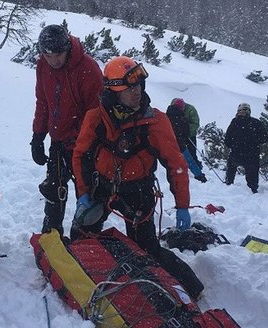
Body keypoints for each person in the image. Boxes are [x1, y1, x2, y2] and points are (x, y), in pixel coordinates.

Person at [71, 56, 204, 299]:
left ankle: (191, 288)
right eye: (129, 88)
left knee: (146, 249)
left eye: (139, 86)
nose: (137, 92)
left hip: (138, 192)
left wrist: (182, 205)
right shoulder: (97, 118)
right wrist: (83, 193)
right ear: (112, 91)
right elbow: (80, 156)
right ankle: (86, 278)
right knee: (82, 236)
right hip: (102, 188)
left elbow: (176, 165)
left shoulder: (155, 121)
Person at [31, 24, 103, 236]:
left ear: (68, 48)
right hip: (59, 141)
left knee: (88, 193)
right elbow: (43, 101)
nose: (54, 61)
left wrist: (85, 144)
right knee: (54, 190)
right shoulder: (43, 66)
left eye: (58, 55)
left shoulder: (88, 69)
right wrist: (38, 136)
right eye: (48, 55)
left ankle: (85, 235)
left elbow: (97, 113)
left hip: (87, 144)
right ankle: (52, 232)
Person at [224, 103, 268, 193]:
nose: (242, 113)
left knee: (233, 172)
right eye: (240, 111)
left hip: (245, 154)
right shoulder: (253, 122)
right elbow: (264, 138)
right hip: (248, 154)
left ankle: (230, 187)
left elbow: (227, 140)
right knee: (250, 178)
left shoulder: (238, 122)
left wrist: (235, 144)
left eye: (244, 110)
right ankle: (250, 189)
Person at [165, 102, 207, 182]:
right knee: (189, 159)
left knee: (170, 162)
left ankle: (173, 177)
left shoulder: (166, 116)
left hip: (167, 143)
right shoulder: (183, 118)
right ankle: (199, 175)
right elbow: (186, 133)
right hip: (179, 143)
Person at [171, 98, 201, 168]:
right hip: (178, 134)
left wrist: (185, 129)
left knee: (192, 152)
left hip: (190, 135)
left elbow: (195, 124)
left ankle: (196, 167)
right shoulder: (173, 107)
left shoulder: (191, 110)